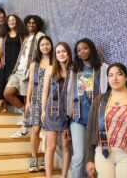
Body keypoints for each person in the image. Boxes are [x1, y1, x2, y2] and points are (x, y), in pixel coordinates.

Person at [66, 38, 108, 178]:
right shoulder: (74, 70)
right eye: (78, 50)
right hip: (78, 119)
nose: (82, 52)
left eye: (84, 48)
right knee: (79, 156)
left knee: (97, 156)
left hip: (97, 119)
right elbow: (69, 93)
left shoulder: (103, 68)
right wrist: (67, 118)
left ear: (91, 49)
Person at [4, 15, 45, 138]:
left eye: (34, 23)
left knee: (28, 100)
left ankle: (24, 130)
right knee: (7, 93)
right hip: (18, 70)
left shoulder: (41, 37)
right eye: (29, 23)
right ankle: (26, 116)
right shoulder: (27, 38)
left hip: (28, 72)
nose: (31, 25)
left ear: (38, 25)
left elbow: (42, 54)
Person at [41, 42, 72, 178]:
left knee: (66, 147)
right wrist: (43, 110)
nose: (61, 54)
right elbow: (45, 91)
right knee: (51, 146)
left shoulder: (73, 70)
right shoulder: (50, 69)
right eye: (58, 52)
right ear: (55, 54)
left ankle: (64, 176)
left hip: (68, 113)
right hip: (51, 111)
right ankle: (49, 176)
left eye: (64, 51)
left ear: (68, 53)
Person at [25, 36, 53, 172]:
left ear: (51, 46)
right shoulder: (34, 64)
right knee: (35, 129)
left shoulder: (55, 63)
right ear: (39, 47)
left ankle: (45, 159)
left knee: (49, 132)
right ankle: (34, 159)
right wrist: (27, 102)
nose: (45, 47)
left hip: (51, 101)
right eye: (42, 44)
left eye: (47, 44)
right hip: (36, 99)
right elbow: (30, 83)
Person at [0, 14, 28, 111]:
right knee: (4, 81)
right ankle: (2, 102)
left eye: (13, 20)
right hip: (5, 62)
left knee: (12, 83)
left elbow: (26, 49)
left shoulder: (22, 34)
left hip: (18, 63)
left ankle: (3, 102)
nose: (11, 22)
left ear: (17, 21)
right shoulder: (4, 34)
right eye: (9, 21)